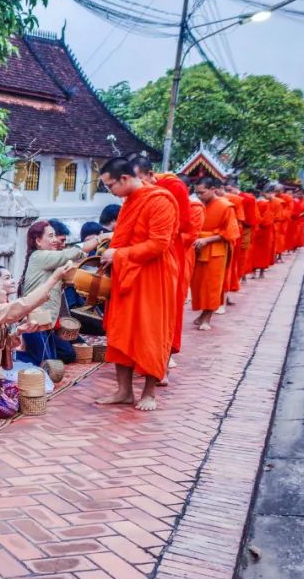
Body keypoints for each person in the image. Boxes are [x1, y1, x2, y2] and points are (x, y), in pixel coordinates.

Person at [96, 157, 177, 412]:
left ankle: (149, 392)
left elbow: (158, 244)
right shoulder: (129, 202)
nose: (110, 191)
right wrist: (113, 254)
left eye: (110, 186)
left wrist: (119, 255)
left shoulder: (159, 201)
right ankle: (124, 391)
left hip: (152, 275)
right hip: (126, 273)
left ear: (124, 179)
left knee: (149, 331)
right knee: (121, 330)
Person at [0, 264, 74, 418]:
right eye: (3, 291)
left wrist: (19, 331)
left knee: (20, 394)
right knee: (9, 408)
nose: (6, 294)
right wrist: (54, 278)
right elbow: (24, 304)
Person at [18, 221, 109, 365]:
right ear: (38, 241)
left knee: (54, 361)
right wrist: (100, 239)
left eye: (55, 235)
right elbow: (70, 254)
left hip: (47, 320)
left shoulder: (47, 258)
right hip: (35, 321)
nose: (55, 240)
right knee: (42, 362)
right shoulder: (39, 256)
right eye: (51, 236)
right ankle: (10, 358)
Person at [131, 157, 186, 370]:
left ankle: (164, 354)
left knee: (162, 310)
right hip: (135, 259)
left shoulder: (169, 190)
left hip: (162, 256)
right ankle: (136, 356)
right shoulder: (133, 195)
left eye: (140, 179)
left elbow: (182, 227)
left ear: (150, 174)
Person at [190, 177, 239, 330]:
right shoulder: (198, 205)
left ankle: (207, 318)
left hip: (216, 251)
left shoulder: (226, 206)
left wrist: (208, 240)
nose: (199, 196)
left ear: (213, 189)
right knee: (198, 284)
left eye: (202, 192)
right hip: (199, 249)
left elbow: (230, 232)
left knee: (212, 285)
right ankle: (203, 313)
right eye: (196, 193)